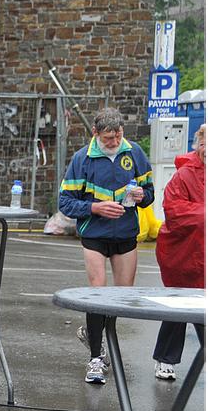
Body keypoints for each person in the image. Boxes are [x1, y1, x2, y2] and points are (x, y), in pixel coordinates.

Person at [59, 107, 154, 385]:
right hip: (95, 235)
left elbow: (149, 194)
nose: (114, 142)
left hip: (125, 234)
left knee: (120, 299)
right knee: (98, 294)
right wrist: (96, 208)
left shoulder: (134, 152)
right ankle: (96, 359)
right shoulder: (82, 159)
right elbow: (65, 203)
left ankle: (96, 336)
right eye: (109, 138)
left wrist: (140, 195)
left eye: (118, 136)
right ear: (96, 133)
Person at [152, 124, 205, 380]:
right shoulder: (184, 175)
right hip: (184, 253)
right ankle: (165, 359)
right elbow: (173, 211)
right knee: (181, 307)